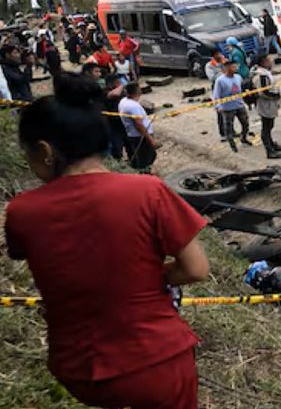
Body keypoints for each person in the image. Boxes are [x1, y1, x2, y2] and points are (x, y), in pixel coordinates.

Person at [4, 73, 210, 409]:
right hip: (156, 361)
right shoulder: (147, 192)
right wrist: (156, 276)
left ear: (44, 151)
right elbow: (196, 269)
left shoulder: (22, 211)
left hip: (77, 368)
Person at [118, 81, 159, 171]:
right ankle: (145, 176)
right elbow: (139, 124)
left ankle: (140, 173)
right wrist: (151, 139)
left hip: (133, 135)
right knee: (146, 159)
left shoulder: (123, 101)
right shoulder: (133, 106)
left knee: (143, 157)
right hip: (140, 137)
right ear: (137, 91)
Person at [213, 58, 252, 152]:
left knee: (245, 123)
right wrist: (218, 106)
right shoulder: (220, 80)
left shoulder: (238, 77)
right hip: (227, 107)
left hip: (239, 104)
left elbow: (241, 89)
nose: (235, 68)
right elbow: (216, 95)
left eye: (235, 66)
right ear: (227, 68)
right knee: (229, 127)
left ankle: (244, 138)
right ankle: (232, 144)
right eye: (233, 67)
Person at [253, 53, 281, 159]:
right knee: (266, 127)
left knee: (269, 125)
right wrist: (275, 96)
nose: (270, 62)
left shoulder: (266, 73)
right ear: (263, 62)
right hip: (266, 104)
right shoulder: (261, 75)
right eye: (268, 60)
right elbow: (264, 92)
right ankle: (269, 150)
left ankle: (272, 144)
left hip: (270, 103)